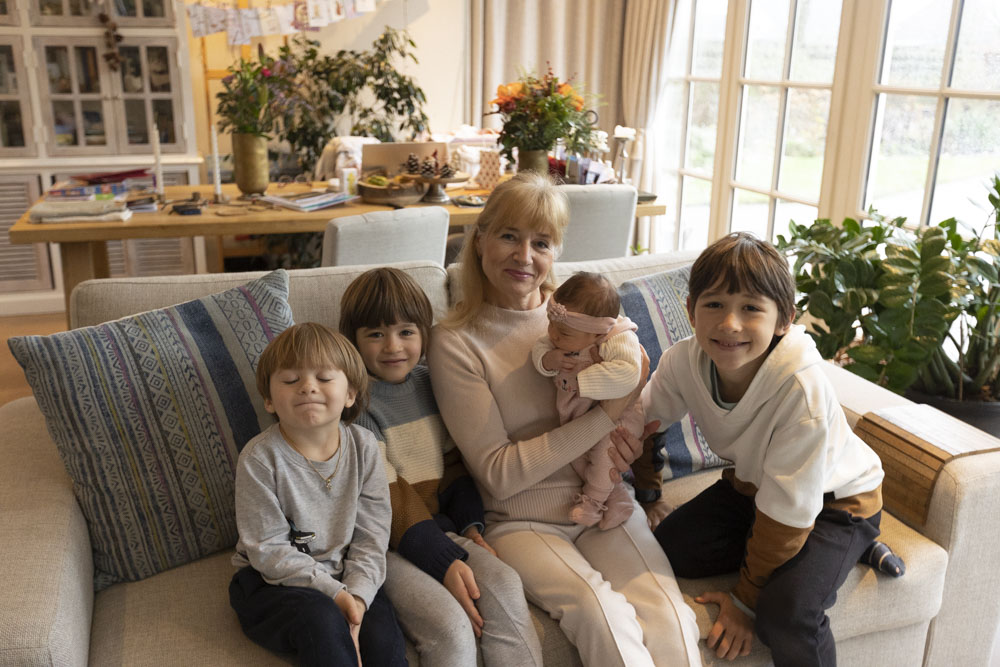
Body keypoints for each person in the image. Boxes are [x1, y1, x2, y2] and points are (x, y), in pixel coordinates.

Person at [427, 171, 702, 667]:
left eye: (541, 242)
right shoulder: (455, 341)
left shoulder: (587, 318)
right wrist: (607, 417)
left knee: (672, 615)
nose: (524, 256)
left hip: (606, 502)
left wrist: (626, 436)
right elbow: (499, 474)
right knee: (601, 613)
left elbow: (635, 392)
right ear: (480, 239)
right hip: (521, 521)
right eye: (509, 236)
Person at [643, 232, 897, 666]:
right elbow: (645, 422)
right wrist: (648, 492)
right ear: (690, 310)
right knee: (671, 548)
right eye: (714, 304)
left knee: (786, 615)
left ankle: (854, 541)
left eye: (751, 308)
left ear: (784, 319)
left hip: (835, 503)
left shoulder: (801, 390)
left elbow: (787, 514)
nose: (730, 323)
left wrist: (744, 601)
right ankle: (830, 556)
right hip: (757, 489)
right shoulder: (683, 361)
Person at [340, 267, 543, 667]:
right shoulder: (355, 403)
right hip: (383, 547)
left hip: (440, 531)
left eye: (406, 332)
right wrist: (443, 560)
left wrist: (470, 526)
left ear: (425, 333)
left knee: (505, 583)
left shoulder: (431, 382)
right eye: (376, 334)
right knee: (450, 625)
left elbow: (453, 465)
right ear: (353, 340)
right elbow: (388, 496)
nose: (393, 346)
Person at [228, 323, 406, 667]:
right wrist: (334, 594)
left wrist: (357, 597)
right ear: (269, 399)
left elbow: (371, 536)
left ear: (350, 394)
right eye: (290, 380)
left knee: (383, 642)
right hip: (270, 582)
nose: (308, 387)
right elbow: (267, 548)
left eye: (324, 378)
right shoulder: (259, 458)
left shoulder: (364, 447)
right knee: (322, 621)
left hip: (345, 573)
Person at [531, 271, 647, 529]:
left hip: (622, 418)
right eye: (550, 325)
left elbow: (630, 374)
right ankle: (617, 499)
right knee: (579, 458)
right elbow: (541, 345)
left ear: (596, 334)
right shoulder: (563, 331)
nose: (553, 335)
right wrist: (547, 360)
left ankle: (593, 503)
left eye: (563, 333)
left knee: (605, 455)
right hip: (581, 416)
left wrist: (580, 381)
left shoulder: (618, 338)